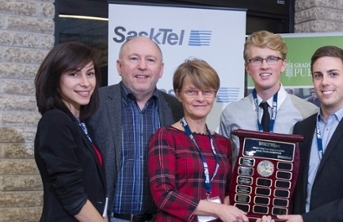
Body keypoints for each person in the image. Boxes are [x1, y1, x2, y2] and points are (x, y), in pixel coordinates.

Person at [275, 46, 343, 222]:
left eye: (333, 74)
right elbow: (293, 186)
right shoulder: (301, 129)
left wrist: (308, 220)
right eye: (318, 75)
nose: (325, 82)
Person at [88, 36, 183, 222]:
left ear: (160, 69)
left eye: (150, 60)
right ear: (119, 66)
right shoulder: (95, 103)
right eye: (133, 58)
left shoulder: (176, 108)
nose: (142, 66)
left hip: (160, 218)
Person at [148, 59, 249, 222]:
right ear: (178, 94)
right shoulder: (165, 136)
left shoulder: (223, 144)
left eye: (207, 91)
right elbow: (163, 195)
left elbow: (230, 193)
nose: (200, 98)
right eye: (191, 92)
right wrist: (218, 209)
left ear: (215, 94)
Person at [34, 42, 107, 221]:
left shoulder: (80, 124)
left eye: (89, 74)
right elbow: (72, 195)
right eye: (73, 74)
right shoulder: (55, 122)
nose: (85, 83)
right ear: (55, 79)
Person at [219, 30, 318, 162]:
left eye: (272, 59)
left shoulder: (308, 113)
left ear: (283, 65)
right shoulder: (231, 114)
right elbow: (225, 167)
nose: (264, 66)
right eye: (257, 60)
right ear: (247, 68)